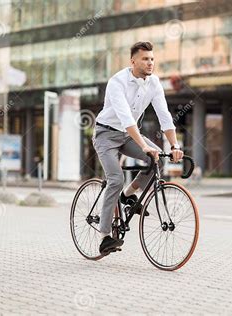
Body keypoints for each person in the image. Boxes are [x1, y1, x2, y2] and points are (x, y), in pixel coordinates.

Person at [92, 41, 183, 254]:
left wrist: (175, 145)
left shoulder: (154, 83)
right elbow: (126, 118)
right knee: (115, 178)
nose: (150, 63)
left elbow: (164, 116)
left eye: (152, 59)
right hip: (106, 134)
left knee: (156, 159)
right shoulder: (118, 82)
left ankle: (128, 194)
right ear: (133, 61)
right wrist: (144, 146)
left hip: (128, 135)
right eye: (145, 59)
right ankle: (105, 235)